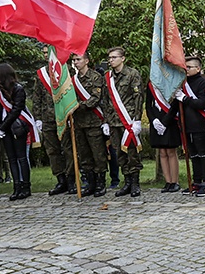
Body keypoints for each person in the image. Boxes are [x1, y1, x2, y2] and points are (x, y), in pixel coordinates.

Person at [103, 46, 143, 198]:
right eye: (110, 58)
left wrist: (137, 120)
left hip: (129, 120)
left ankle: (135, 183)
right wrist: (106, 121)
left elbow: (138, 98)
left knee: (131, 152)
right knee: (119, 153)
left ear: (122, 58)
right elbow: (106, 101)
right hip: (114, 121)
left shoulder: (133, 74)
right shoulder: (108, 77)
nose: (111, 60)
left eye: (114, 57)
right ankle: (126, 181)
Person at [0, 63, 37, 201]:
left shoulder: (18, 89)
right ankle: (16, 186)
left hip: (17, 127)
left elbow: (16, 110)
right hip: (5, 129)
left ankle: (26, 186)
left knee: (21, 157)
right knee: (11, 158)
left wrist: (3, 126)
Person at [34, 49, 75, 196]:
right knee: (53, 151)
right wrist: (37, 118)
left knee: (68, 149)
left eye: (48, 52)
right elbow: (37, 97)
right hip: (48, 119)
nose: (46, 54)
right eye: (44, 52)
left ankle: (71, 180)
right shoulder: (41, 74)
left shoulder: (67, 70)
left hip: (64, 117)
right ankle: (61, 180)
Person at [71, 52, 108, 197]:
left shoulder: (95, 77)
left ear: (86, 61)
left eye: (78, 59)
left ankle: (100, 183)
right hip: (79, 123)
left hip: (93, 121)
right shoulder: (73, 80)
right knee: (84, 155)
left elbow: (96, 98)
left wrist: (78, 106)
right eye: (74, 60)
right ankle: (90, 183)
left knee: (98, 153)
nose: (76, 62)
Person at [177, 57, 205, 197]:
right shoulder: (183, 84)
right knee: (193, 155)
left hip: (199, 124)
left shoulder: (202, 83)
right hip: (187, 125)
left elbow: (202, 103)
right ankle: (196, 181)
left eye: (190, 67)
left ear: (198, 68)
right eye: (185, 67)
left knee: (203, 153)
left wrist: (185, 98)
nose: (187, 70)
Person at [146, 80, 181, 192]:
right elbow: (148, 105)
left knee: (171, 151)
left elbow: (175, 103)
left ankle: (175, 181)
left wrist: (165, 122)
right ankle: (168, 181)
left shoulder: (172, 80)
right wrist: (154, 120)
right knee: (162, 152)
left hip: (169, 119)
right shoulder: (151, 84)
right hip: (156, 119)